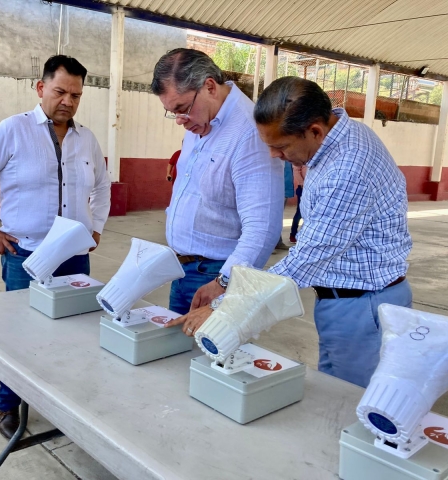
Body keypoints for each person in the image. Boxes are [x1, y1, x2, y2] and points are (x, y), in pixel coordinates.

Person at [169, 76, 412, 389]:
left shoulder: (346, 169)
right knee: (337, 392)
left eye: (280, 147)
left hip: (361, 306)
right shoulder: (344, 135)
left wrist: (224, 308)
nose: (273, 156)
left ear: (314, 131)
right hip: (352, 299)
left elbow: (305, 261)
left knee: (347, 401)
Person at [0, 55, 111, 439]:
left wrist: (96, 226)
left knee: (72, 332)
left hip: (73, 256)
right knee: (20, 334)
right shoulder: (14, 130)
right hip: (23, 254)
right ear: (41, 88)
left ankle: (60, 401)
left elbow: (103, 186)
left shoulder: (87, 139)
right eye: (60, 91)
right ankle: (9, 406)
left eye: (76, 95)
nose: (68, 101)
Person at [150, 48, 284, 320]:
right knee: (173, 359)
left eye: (182, 108)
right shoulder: (199, 123)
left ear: (209, 85)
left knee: (207, 359)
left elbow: (263, 227)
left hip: (215, 277)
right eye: (171, 112)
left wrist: (224, 284)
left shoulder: (249, 132)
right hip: (183, 270)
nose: (180, 120)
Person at [290, 164, 307, 243]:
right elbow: (296, 170)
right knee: (300, 212)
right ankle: (293, 234)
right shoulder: (301, 157)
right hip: (302, 188)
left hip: (313, 187)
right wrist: (302, 183)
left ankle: (305, 235)